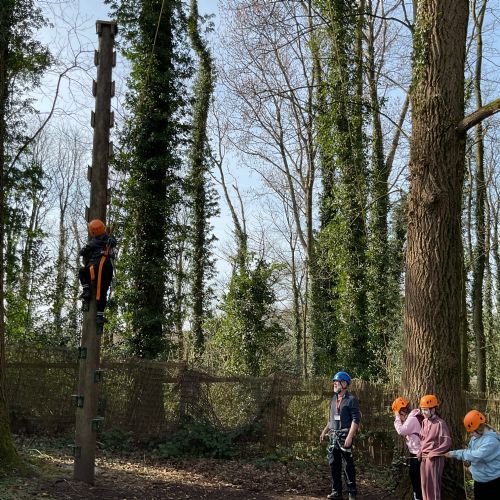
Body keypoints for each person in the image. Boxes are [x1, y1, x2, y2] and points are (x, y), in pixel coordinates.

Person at [320, 371, 361, 500]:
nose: (334, 384)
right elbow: (331, 419)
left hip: (345, 436)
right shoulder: (333, 399)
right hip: (333, 436)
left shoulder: (351, 400)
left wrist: (350, 436)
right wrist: (324, 431)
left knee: (347, 465)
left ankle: (352, 492)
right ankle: (336, 492)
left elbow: (356, 420)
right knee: (333, 464)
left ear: (344, 384)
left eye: (337, 382)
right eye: (334, 382)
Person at [446, 410, 500, 499]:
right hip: (479, 481)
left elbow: (476, 455)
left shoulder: (491, 441)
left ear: (479, 428)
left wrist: (455, 453)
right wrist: (468, 461)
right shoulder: (475, 437)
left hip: (492, 482)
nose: (471, 435)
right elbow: (471, 450)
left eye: (472, 432)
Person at [79, 219, 116, 327]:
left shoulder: (93, 242)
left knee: (82, 271)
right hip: (108, 269)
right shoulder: (109, 239)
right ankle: (99, 316)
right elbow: (114, 242)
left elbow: (82, 252)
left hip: (96, 269)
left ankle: (86, 290)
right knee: (103, 292)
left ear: (93, 232)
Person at [418, 394, 451, 500]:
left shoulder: (440, 423)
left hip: (434, 459)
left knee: (433, 486)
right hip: (424, 458)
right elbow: (422, 440)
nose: (423, 412)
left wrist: (434, 453)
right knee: (424, 485)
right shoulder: (424, 422)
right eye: (422, 409)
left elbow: (447, 442)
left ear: (433, 409)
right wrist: (420, 451)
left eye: (426, 410)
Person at [391, 397, 423, 500]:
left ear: (401, 412)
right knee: (415, 476)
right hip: (417, 452)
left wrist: (396, 418)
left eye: (398, 415)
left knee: (416, 478)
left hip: (418, 453)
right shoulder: (415, 416)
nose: (399, 418)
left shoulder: (412, 419)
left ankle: (418, 497)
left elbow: (401, 431)